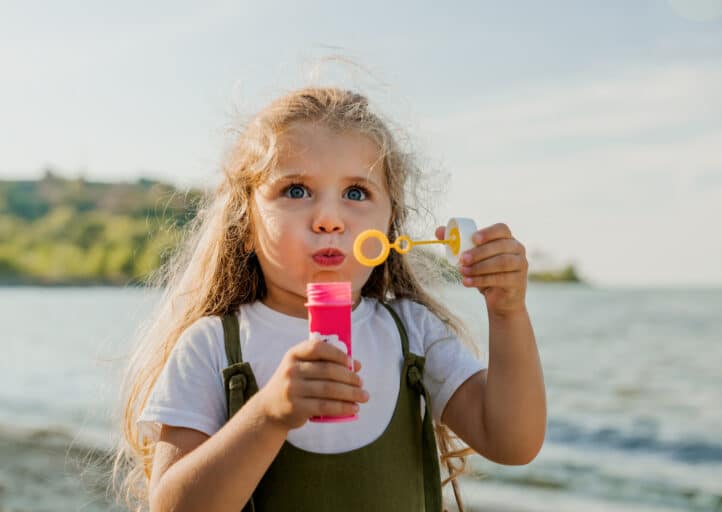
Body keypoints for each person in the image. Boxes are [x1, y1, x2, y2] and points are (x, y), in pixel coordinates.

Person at [112, 87, 546, 512]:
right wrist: (268, 415)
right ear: (245, 226)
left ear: (390, 225)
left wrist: (507, 312)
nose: (329, 220)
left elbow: (513, 442)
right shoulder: (211, 346)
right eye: (296, 190)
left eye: (356, 193)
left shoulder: (414, 333)